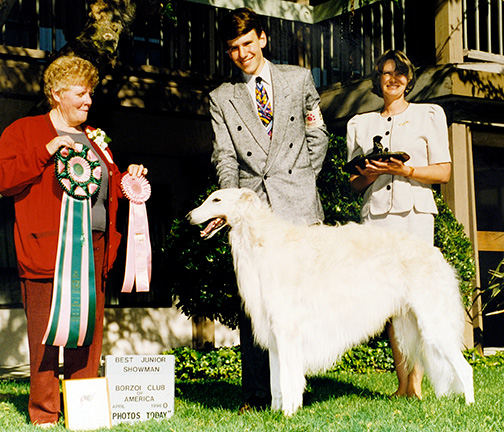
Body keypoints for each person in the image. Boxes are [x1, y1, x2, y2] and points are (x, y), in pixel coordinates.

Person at [0, 55, 148, 426]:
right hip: (46, 249)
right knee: (47, 335)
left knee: (88, 335)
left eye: (90, 94)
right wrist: (44, 152)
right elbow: (4, 179)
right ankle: (46, 413)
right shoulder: (24, 131)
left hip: (94, 250)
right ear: (56, 94)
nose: (89, 101)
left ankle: (84, 410)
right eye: (81, 93)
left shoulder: (95, 138)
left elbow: (107, 188)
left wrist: (126, 176)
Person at [209, 7, 329, 410]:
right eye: (233, 49)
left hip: (297, 205)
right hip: (253, 214)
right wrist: (233, 202)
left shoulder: (298, 79)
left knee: (301, 300)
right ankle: (257, 392)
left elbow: (317, 132)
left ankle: (295, 384)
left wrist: (301, 179)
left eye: (247, 43)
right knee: (256, 305)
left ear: (262, 38)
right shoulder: (222, 98)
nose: (242, 54)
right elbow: (225, 156)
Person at [346, 49, 452, 399]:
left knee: (416, 300)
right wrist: (372, 172)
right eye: (386, 73)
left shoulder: (429, 115)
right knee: (392, 304)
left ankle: (417, 385)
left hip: (415, 217)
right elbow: (354, 182)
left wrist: (405, 170)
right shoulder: (360, 124)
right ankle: (402, 383)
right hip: (378, 219)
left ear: (409, 78)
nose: (394, 78)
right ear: (377, 80)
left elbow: (444, 172)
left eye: (401, 73)